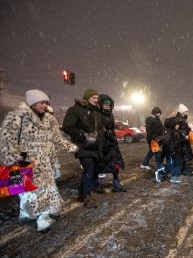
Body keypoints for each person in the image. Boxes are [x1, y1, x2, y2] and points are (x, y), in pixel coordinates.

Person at [0, 89, 78, 232]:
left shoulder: (49, 119)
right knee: (25, 190)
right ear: (32, 103)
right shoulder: (16, 117)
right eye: (41, 102)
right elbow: (6, 140)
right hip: (25, 159)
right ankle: (30, 214)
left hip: (44, 160)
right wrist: (12, 158)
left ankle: (43, 218)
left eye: (46, 102)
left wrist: (70, 146)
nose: (44, 105)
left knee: (45, 189)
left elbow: (56, 138)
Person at [63, 88, 105, 208]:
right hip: (83, 145)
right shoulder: (75, 109)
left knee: (90, 170)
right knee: (89, 168)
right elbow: (67, 126)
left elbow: (100, 129)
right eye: (93, 98)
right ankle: (87, 196)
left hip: (95, 145)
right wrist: (80, 135)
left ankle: (81, 193)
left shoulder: (97, 111)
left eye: (97, 98)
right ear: (87, 98)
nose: (96, 100)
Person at [97, 94, 126, 192]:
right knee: (100, 164)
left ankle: (116, 182)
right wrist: (104, 133)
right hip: (102, 143)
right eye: (105, 104)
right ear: (101, 104)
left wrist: (112, 135)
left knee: (115, 163)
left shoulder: (111, 114)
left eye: (109, 104)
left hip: (112, 142)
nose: (107, 105)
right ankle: (97, 183)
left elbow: (112, 127)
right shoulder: (98, 114)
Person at [155, 117, 184, 183]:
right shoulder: (170, 132)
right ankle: (160, 171)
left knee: (176, 164)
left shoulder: (175, 131)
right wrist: (172, 151)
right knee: (170, 165)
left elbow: (177, 142)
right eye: (177, 124)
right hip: (171, 152)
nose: (178, 126)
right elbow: (167, 143)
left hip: (176, 152)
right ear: (173, 124)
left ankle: (174, 177)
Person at [175, 104, 193, 176]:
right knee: (183, 155)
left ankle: (183, 169)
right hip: (181, 140)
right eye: (186, 111)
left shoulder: (183, 118)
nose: (187, 112)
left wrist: (188, 129)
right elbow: (177, 130)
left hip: (184, 140)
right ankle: (182, 170)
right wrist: (184, 135)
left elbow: (184, 128)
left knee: (185, 155)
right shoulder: (178, 119)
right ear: (182, 111)